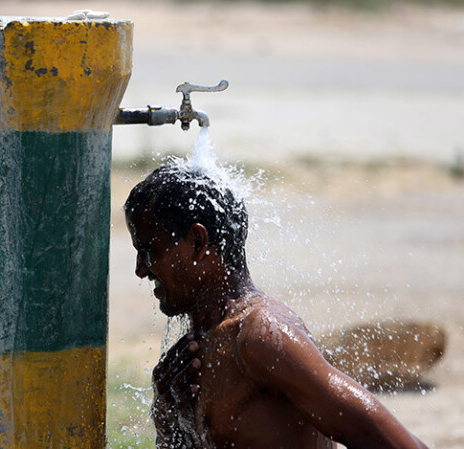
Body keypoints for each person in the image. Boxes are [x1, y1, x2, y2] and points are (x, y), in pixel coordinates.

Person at [124, 162, 429, 449]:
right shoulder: (200, 345)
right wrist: (167, 414)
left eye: (148, 250)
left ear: (198, 242)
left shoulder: (261, 337)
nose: (140, 269)